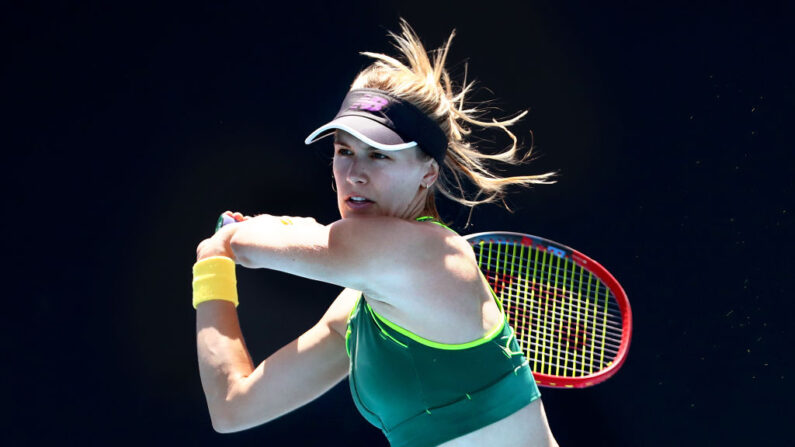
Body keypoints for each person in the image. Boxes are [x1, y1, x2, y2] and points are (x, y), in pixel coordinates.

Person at [193, 20, 558, 447]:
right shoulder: (353, 313)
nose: (354, 173)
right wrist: (212, 269)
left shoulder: (433, 254)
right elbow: (233, 407)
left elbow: (280, 244)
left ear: (428, 173)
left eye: (379, 155)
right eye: (344, 151)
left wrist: (230, 240)